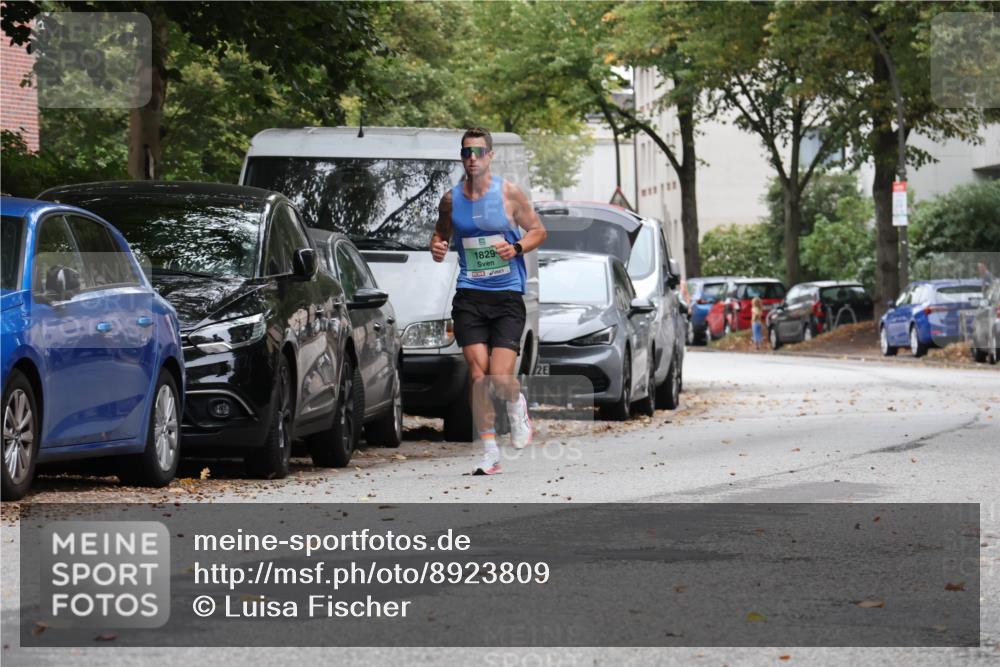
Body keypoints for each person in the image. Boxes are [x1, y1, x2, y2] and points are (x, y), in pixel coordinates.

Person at [431, 127, 547, 475]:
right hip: (470, 295)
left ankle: (516, 405)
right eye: (466, 152)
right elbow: (441, 234)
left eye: (478, 152)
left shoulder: (509, 194)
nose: (472, 158)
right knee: (479, 375)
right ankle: (490, 450)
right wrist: (436, 246)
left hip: (507, 297)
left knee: (499, 376)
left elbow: (539, 231)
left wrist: (515, 248)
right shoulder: (451, 200)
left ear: (490, 156)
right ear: (461, 156)